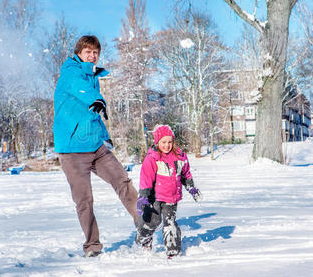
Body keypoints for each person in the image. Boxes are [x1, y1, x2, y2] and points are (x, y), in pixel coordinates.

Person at [53, 35, 138, 257]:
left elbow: (92, 115)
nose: (92, 56)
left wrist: (105, 135)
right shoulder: (71, 72)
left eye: (95, 52)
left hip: (95, 146)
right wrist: (96, 98)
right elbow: (80, 89)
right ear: (79, 53)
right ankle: (92, 246)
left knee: (123, 181)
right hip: (72, 151)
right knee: (84, 199)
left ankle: (145, 221)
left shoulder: (92, 77)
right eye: (88, 51)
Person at [135, 124, 202, 258]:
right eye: (163, 142)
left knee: (170, 223)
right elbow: (146, 179)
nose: (167, 145)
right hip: (155, 198)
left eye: (170, 142)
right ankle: (144, 238)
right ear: (157, 142)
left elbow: (186, 174)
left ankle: (173, 252)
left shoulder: (180, 156)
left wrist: (192, 188)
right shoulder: (152, 158)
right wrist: (144, 197)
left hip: (172, 198)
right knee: (153, 222)